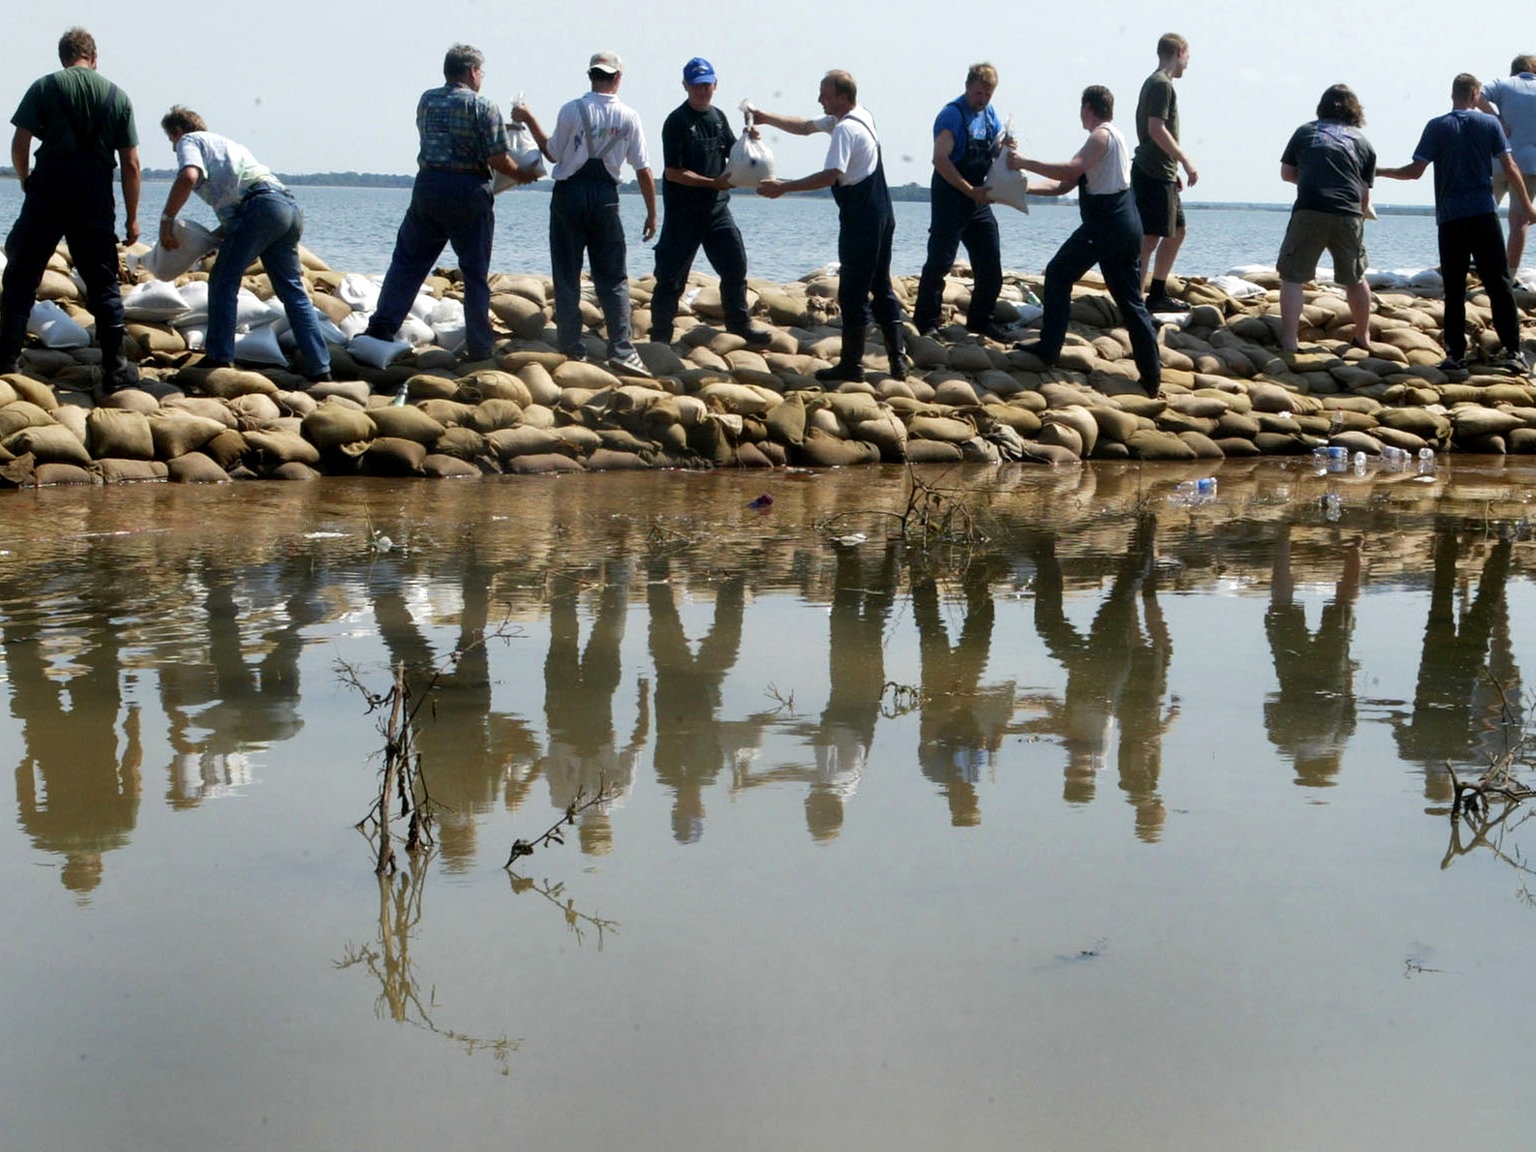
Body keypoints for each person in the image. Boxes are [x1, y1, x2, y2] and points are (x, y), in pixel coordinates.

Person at [361, 44, 535, 365]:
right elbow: (497, 158)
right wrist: (523, 174)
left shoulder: (427, 100)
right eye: (481, 71)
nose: (482, 77)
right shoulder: (483, 106)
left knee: (407, 263)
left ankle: (381, 329)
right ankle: (481, 347)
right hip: (468, 190)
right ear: (471, 71)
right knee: (474, 273)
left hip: (428, 185)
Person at [1, 27, 140, 391]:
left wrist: (25, 177)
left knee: (23, 271)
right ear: (94, 57)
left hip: (48, 187)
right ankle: (115, 368)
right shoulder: (118, 97)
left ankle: (8, 359)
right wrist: (132, 217)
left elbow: (20, 141)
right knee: (102, 281)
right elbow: (131, 164)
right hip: (94, 194)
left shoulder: (45, 87)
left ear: (63, 57)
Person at [156, 107, 332, 381]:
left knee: (223, 280)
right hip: (287, 209)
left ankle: (219, 355)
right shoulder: (228, 146)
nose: (173, 148)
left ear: (177, 132)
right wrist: (208, 240)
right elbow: (235, 218)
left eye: (171, 141)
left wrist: (168, 219)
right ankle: (321, 369)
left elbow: (188, 176)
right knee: (293, 293)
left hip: (261, 208)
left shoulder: (190, 141)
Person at [1379, 73, 1536, 377]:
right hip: (1483, 214)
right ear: (1476, 95)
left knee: (1453, 288)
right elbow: (1510, 166)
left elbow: (1414, 172)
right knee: (1499, 284)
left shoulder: (1437, 126)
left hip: (1451, 217)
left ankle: (1455, 355)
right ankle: (1514, 352)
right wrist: (1528, 206)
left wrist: (1380, 171)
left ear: (1452, 94)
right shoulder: (1489, 124)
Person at [1009, 86, 1161, 397]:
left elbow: (1071, 168)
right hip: (1127, 224)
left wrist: (1022, 161)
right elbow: (1062, 186)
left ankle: (1048, 349)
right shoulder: (1115, 138)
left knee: (1057, 274)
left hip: (1107, 223)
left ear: (1087, 108)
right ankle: (1151, 377)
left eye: (1081, 109)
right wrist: (1018, 188)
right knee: (1131, 302)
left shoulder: (1100, 136)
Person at [753, 71, 905, 382]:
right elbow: (804, 127)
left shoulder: (845, 130)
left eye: (825, 94)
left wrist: (783, 187)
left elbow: (830, 175)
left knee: (852, 293)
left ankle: (852, 366)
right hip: (883, 214)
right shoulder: (861, 116)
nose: (820, 99)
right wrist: (764, 117)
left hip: (861, 218)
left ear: (842, 97)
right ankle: (898, 362)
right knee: (881, 286)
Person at [517, 51, 657, 378]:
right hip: (606, 196)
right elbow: (643, 169)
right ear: (618, 78)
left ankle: (569, 345)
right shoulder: (629, 117)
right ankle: (621, 349)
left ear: (590, 75)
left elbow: (552, 154)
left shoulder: (571, 109)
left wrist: (528, 119)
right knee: (613, 277)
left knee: (567, 273)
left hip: (569, 194)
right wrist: (652, 213)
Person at [648, 57, 772, 347]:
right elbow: (673, 173)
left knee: (735, 267)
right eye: (697, 85)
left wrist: (750, 138)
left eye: (707, 85)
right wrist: (710, 183)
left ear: (715, 84)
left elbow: (734, 152)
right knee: (671, 277)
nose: (703, 91)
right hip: (684, 213)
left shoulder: (717, 116)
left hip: (717, 209)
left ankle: (739, 325)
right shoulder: (677, 121)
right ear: (686, 86)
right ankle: (660, 334)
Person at [1276, 84, 1377, 353]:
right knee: (1355, 277)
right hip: (1348, 212)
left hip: (1310, 207)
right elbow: (1364, 193)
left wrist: (1311, 178)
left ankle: (1289, 339)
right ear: (1355, 111)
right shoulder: (1363, 142)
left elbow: (1287, 173)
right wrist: (1360, 217)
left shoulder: (1306, 132)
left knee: (1292, 276)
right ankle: (1363, 335)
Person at [911, 63, 1010, 341]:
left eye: (988, 95)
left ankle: (981, 320)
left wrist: (1006, 148)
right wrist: (969, 190)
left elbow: (995, 145)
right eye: (979, 93)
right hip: (951, 193)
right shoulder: (951, 115)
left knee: (990, 264)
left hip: (978, 199)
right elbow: (940, 160)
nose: (983, 100)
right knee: (940, 261)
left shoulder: (989, 113)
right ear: (967, 87)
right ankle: (926, 321)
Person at [1132, 32, 1198, 313]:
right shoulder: (1161, 85)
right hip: (1152, 170)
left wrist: (1173, 167)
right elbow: (1156, 128)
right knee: (1149, 238)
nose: (1188, 65)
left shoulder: (1159, 83)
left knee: (1177, 230)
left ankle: (1157, 293)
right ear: (1180, 52)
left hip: (1163, 171)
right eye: (1188, 58)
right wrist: (1184, 158)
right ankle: (1135, 298)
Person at [1478, 54, 1536, 272]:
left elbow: (1478, 94)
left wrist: (1496, 119)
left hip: (1498, 160)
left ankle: (1477, 263)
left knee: (1482, 214)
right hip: (1529, 164)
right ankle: (1509, 274)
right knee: (1519, 220)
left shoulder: (1503, 83)